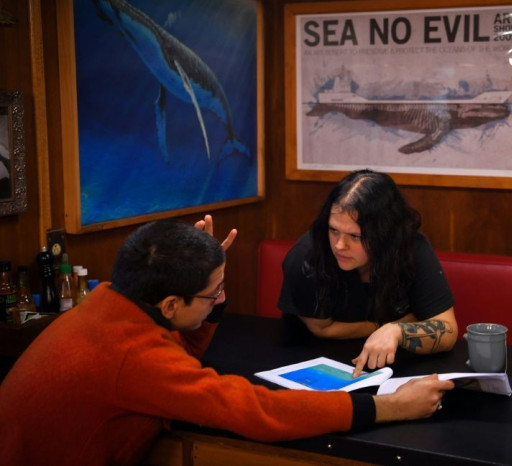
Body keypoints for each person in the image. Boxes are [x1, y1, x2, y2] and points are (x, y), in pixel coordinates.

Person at [0, 215, 453, 465]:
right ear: (172, 305)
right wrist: (388, 406)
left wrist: (204, 285)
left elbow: (173, 354)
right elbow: (255, 411)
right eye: (214, 291)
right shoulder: (134, 355)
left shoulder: (107, 304)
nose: (222, 296)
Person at [278, 169, 458, 378]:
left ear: (385, 234)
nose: (339, 245)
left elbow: (448, 331)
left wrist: (396, 331)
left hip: (392, 366)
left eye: (355, 236)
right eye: (333, 230)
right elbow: (322, 329)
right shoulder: (308, 256)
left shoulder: (410, 247)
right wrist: (394, 323)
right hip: (309, 359)